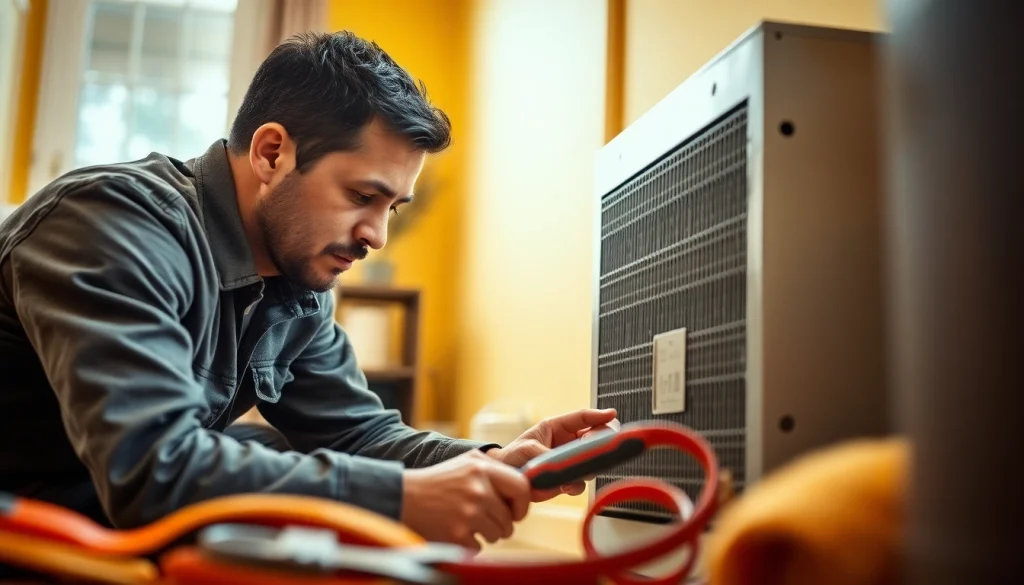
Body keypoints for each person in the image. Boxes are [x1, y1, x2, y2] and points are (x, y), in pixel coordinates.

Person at [0, 30, 618, 550]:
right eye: (361, 196)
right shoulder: (110, 221)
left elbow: (357, 434)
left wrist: (488, 460)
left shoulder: (297, 283)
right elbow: (154, 469)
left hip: (104, 522)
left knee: (265, 448)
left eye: (393, 209)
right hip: (32, 530)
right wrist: (400, 499)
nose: (377, 235)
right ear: (272, 153)